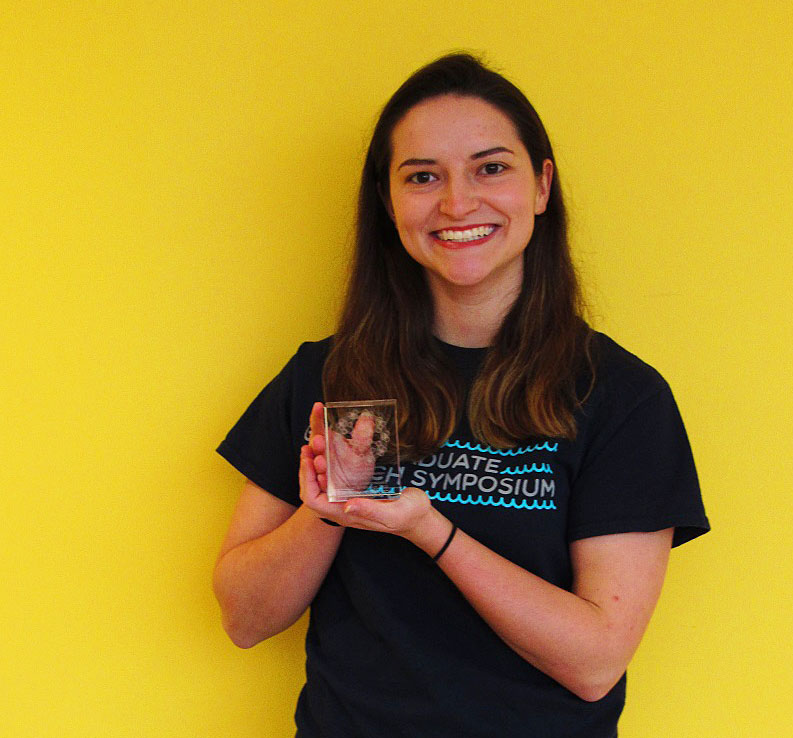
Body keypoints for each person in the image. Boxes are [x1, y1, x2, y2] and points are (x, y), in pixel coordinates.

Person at [213, 53, 709, 738]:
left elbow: (595, 661)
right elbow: (244, 619)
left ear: (541, 186)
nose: (456, 202)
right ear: (389, 204)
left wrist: (430, 530)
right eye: (422, 177)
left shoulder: (618, 396)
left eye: (490, 167)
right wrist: (325, 513)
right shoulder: (330, 377)